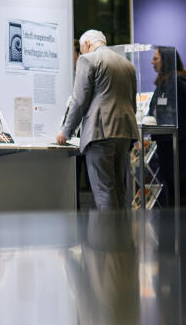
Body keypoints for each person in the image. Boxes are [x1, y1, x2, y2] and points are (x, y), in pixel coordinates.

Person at [57, 30, 138, 210]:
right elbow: (132, 102)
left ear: (86, 44)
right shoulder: (127, 65)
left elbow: (79, 100)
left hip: (100, 132)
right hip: (125, 132)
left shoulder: (87, 60)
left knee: (104, 190)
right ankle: (121, 236)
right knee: (119, 190)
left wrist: (66, 131)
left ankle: (108, 236)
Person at [148, 47, 186, 207]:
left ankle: (185, 224)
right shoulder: (163, 82)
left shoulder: (178, 80)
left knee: (179, 183)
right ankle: (175, 224)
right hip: (165, 141)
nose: (152, 62)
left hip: (178, 141)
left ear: (166, 60)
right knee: (171, 184)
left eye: (156, 58)